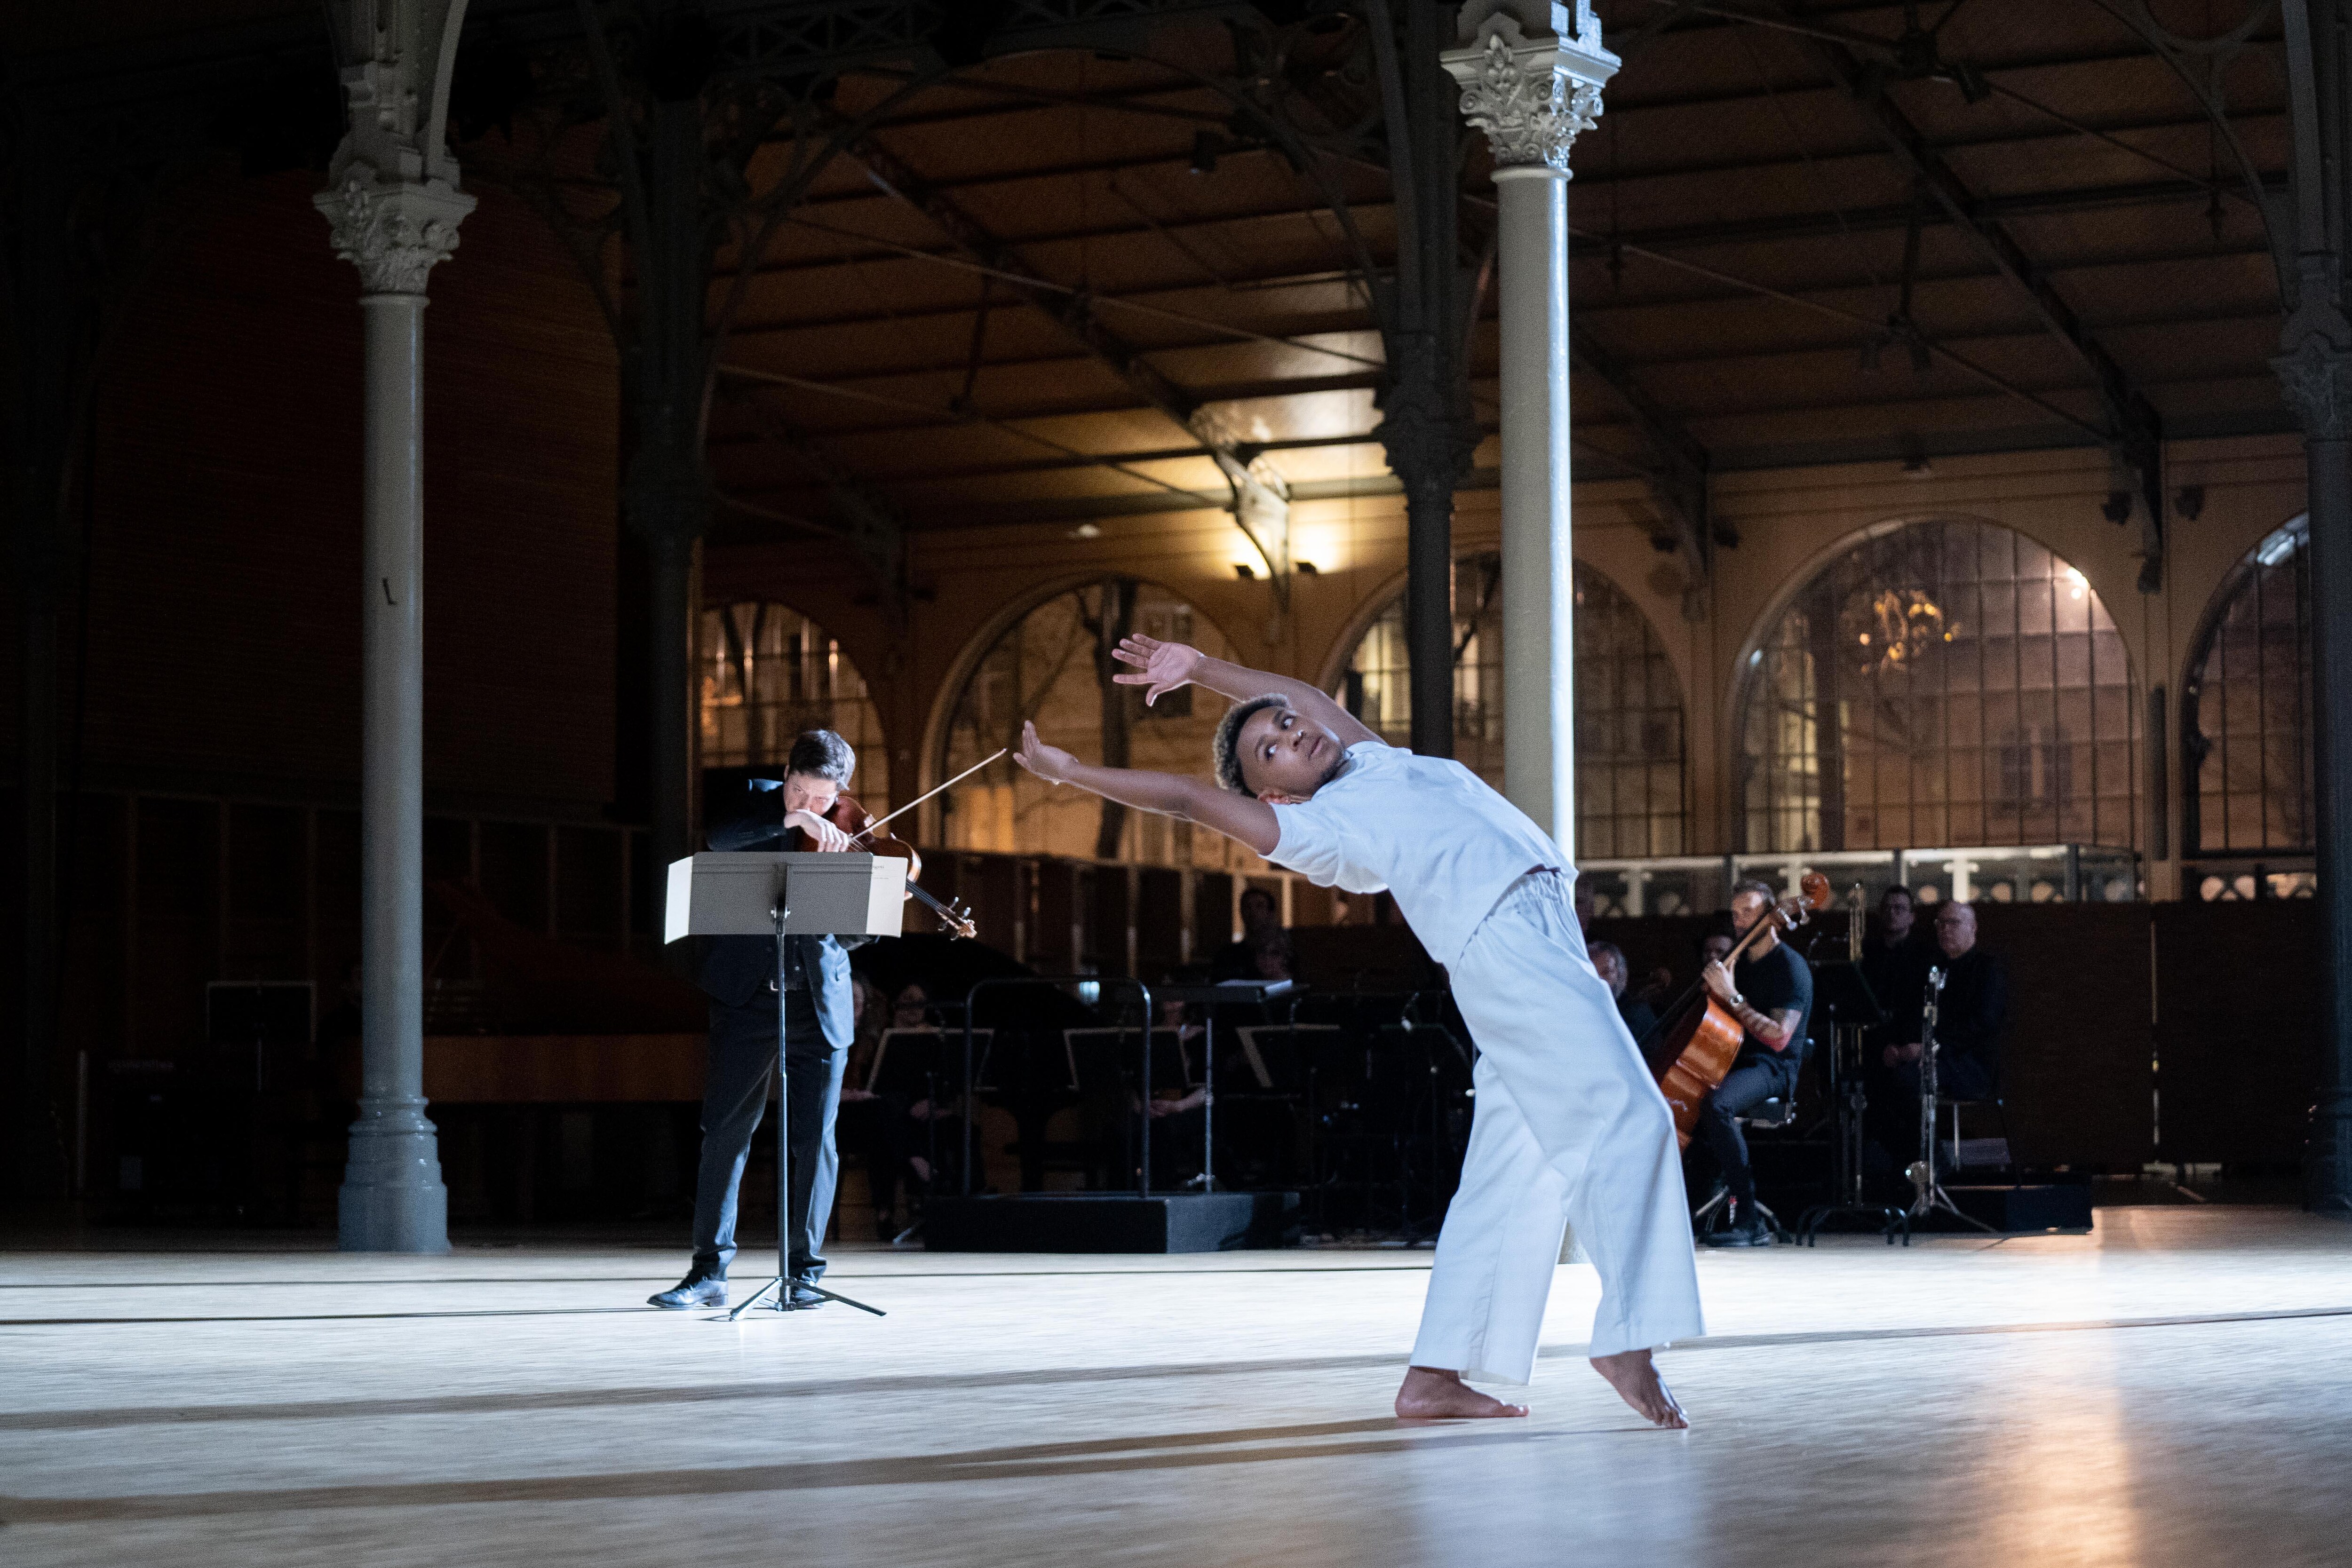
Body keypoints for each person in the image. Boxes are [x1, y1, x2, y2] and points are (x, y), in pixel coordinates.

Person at [1013, 632, 1698, 1428]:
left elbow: (1302, 690)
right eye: (1271, 747)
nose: (1289, 729)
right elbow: (1185, 796)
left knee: (1515, 1171)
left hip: (1539, 937)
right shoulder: (1323, 828)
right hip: (1508, 948)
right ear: (1277, 798)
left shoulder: (1373, 763)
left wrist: (1199, 668)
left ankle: (1434, 1376)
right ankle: (1631, 1338)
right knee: (1636, 1115)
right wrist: (1070, 772)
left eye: (1282, 721)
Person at [649, 730, 868, 1312]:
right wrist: (790, 819)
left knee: (814, 1141)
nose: (810, 806)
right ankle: (708, 1272)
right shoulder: (753, 804)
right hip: (746, 999)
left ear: (840, 792)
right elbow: (719, 840)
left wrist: (848, 887)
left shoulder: (849, 832)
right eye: (799, 789)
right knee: (725, 1132)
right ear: (787, 773)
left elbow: (852, 935)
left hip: (818, 1004)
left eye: (822, 799)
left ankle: (805, 1275)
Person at [1692, 880, 1812, 1248]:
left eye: (1749, 912)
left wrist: (1732, 996)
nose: (1740, 921)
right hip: (1732, 1058)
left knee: (1719, 1103)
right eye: (1735, 913)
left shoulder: (1791, 968)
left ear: (1771, 916)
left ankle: (1749, 1218)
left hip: (1773, 1068)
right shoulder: (1737, 963)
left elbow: (1778, 1037)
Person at [1867, 902, 2007, 1188]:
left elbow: (1982, 1025)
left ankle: (1933, 1164)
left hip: (1968, 1064)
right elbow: (1910, 1017)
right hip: (1927, 1059)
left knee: (1903, 1082)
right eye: (1941, 924)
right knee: (1870, 1087)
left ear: (1973, 928)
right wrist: (1895, 1045)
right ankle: (1916, 1163)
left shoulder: (1986, 970)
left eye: (1954, 923)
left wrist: (1931, 1047)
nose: (1945, 929)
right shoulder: (1931, 969)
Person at [1588, 941, 1656, 1043]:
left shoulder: (1634, 1011)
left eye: (1607, 972)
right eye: (1592, 972)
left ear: (1620, 974)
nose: (1599, 979)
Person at [1210, 887, 1283, 981]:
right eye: (1248, 907)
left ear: (1270, 913)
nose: (1253, 912)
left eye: (1259, 906)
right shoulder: (1229, 956)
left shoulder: (1286, 951)